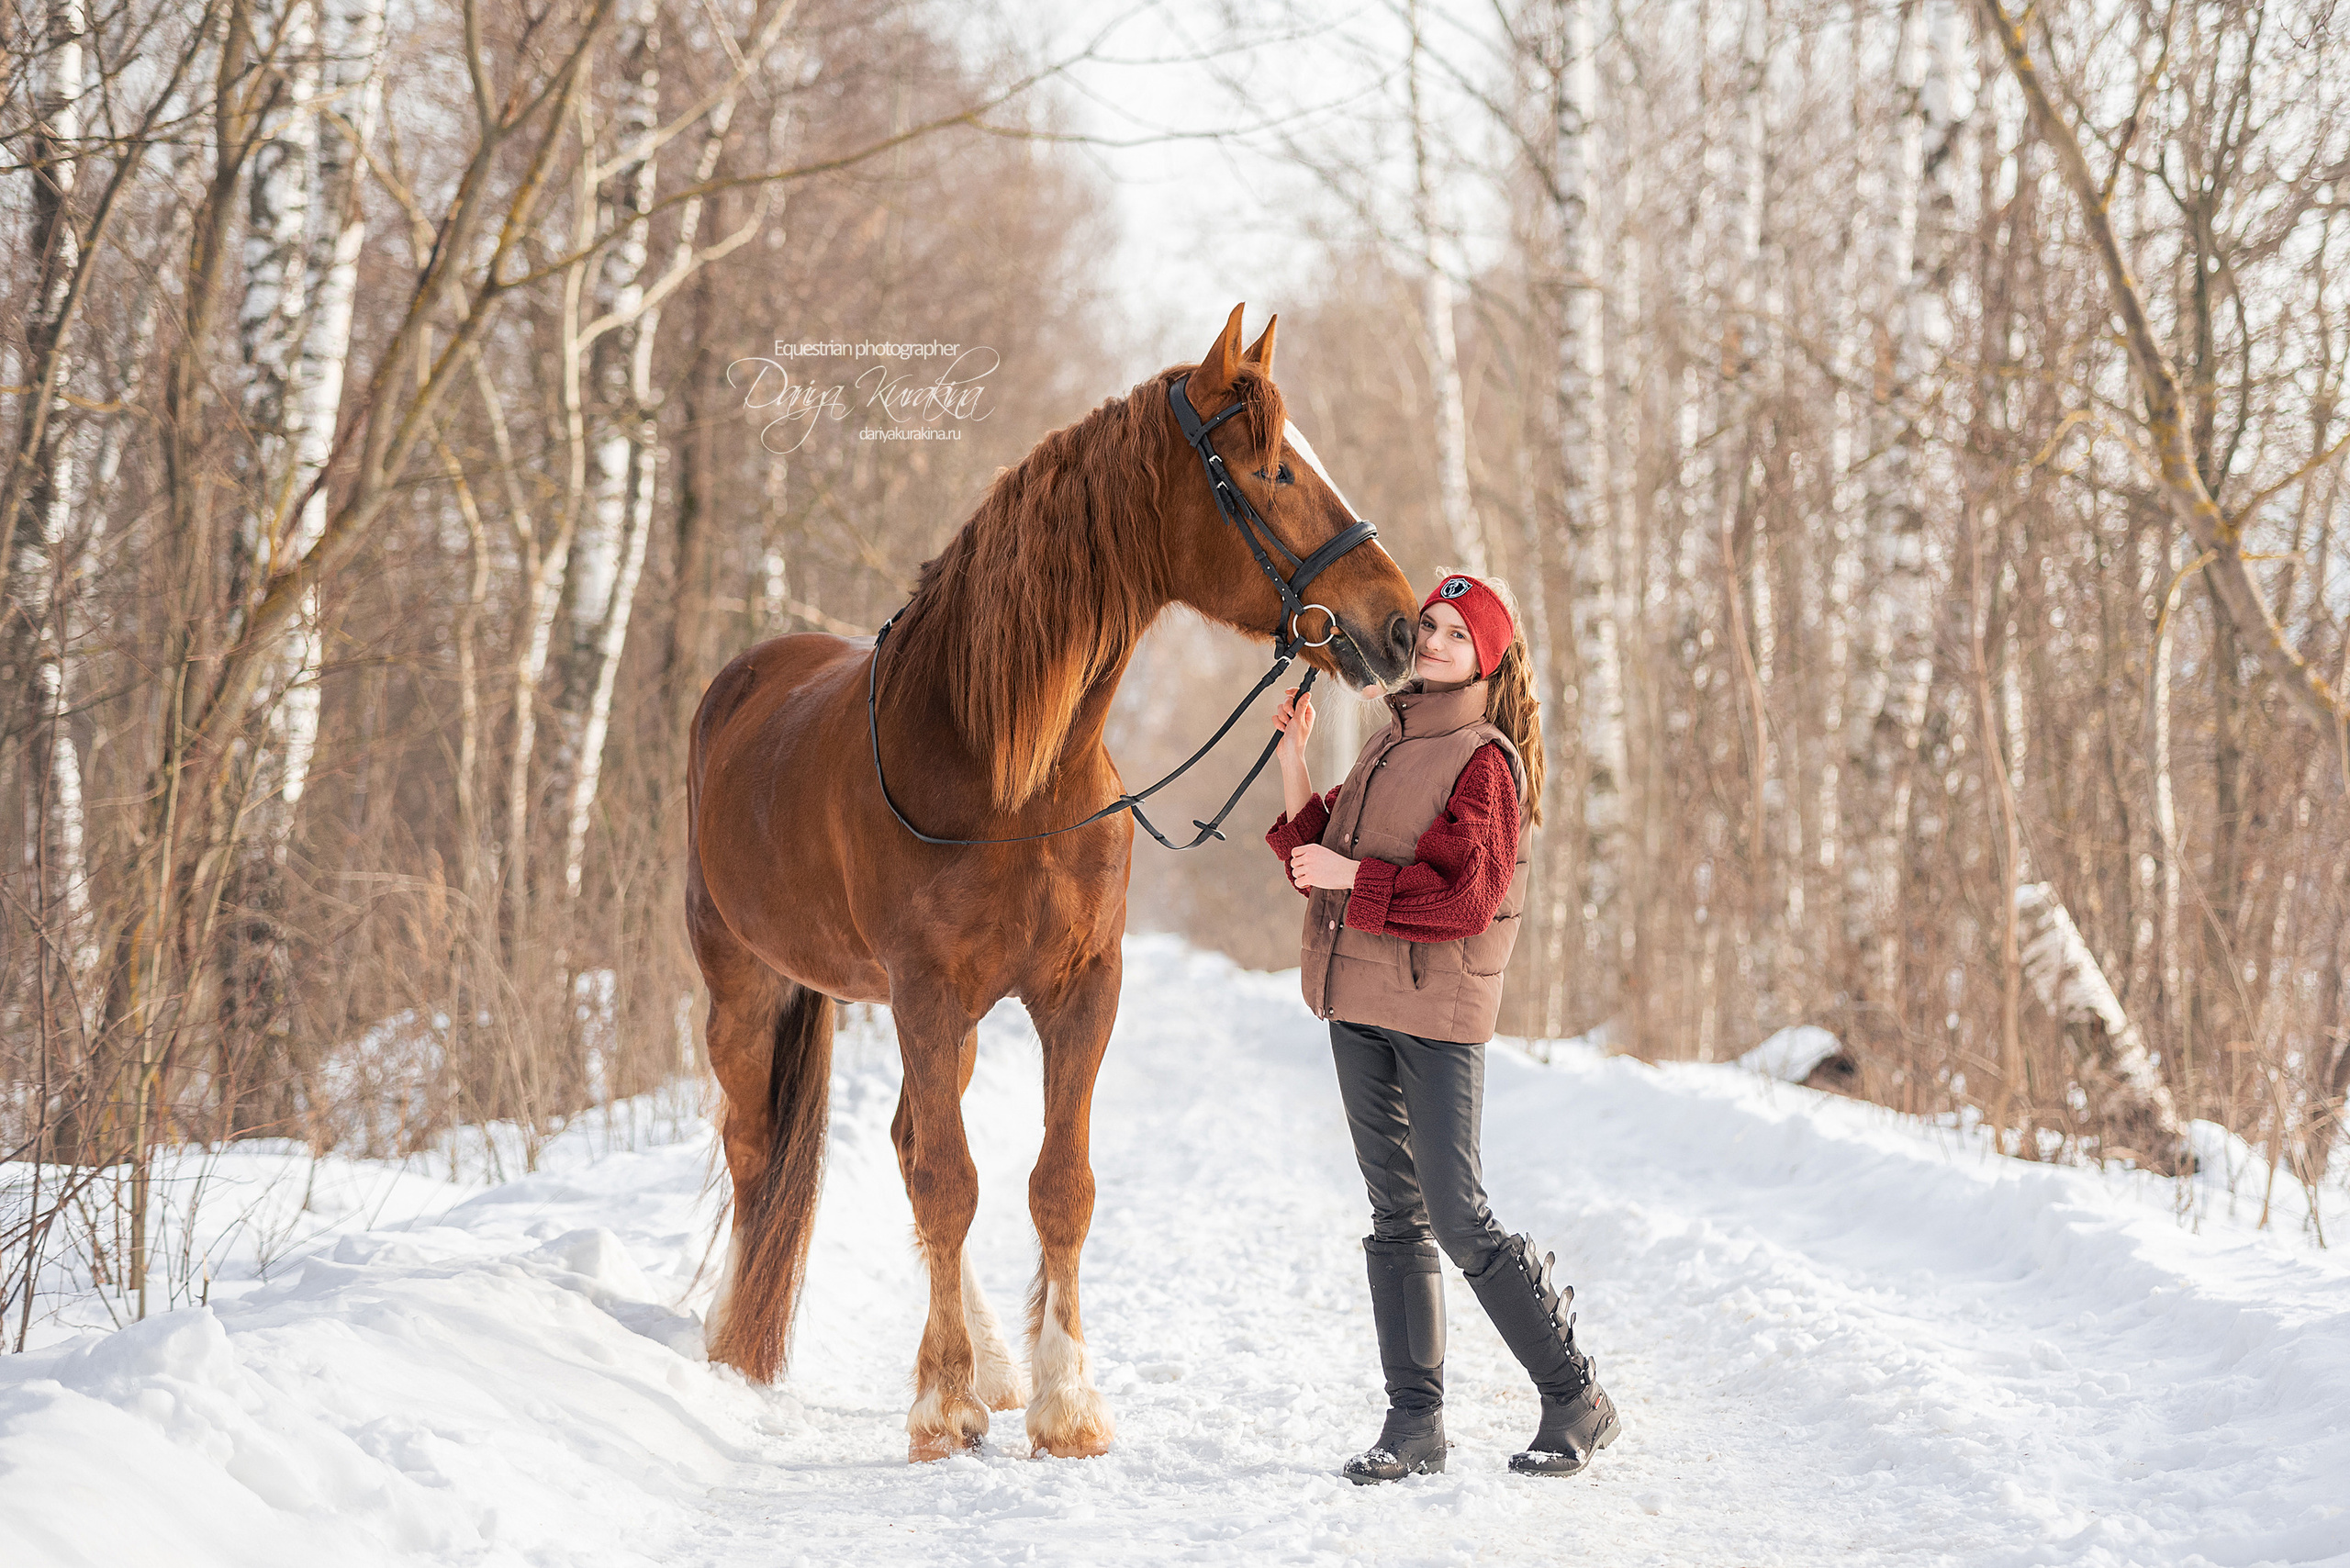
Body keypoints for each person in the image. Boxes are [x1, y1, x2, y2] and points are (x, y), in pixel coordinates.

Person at [1266, 571, 1622, 1484]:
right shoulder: (1395, 740)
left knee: (1457, 1215)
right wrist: (1293, 759)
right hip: (1359, 1005)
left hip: (1435, 1015)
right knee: (1395, 1215)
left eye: (1457, 634)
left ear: (1489, 659)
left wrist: (1346, 879)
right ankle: (1413, 1424)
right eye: (1429, 624)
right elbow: (1322, 861)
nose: (1432, 641)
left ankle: (1574, 1393)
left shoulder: (1483, 759)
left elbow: (1464, 897)